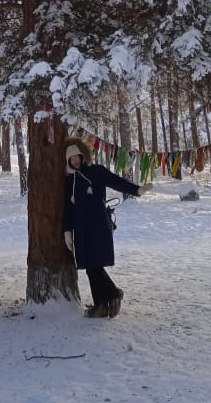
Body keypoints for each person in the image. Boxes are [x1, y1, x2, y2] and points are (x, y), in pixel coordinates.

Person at [63, 135, 151, 318]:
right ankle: (101, 305)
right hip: (81, 229)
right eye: (71, 159)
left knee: (94, 265)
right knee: (90, 267)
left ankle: (112, 293)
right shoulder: (69, 182)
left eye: (77, 157)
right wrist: (67, 230)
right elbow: (68, 209)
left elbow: (116, 182)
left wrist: (137, 190)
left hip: (97, 225)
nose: (75, 161)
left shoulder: (97, 171)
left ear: (82, 155)